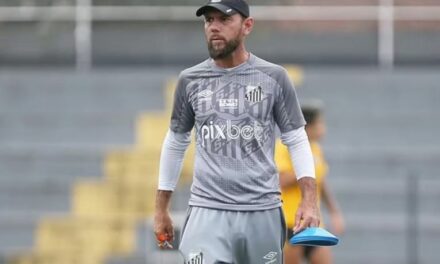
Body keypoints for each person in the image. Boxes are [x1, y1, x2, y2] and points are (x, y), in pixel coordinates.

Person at [153, 1, 320, 263]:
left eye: (224, 19)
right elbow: (175, 142)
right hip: (207, 211)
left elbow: (297, 140)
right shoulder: (190, 80)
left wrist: (309, 200)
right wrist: (161, 208)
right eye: (209, 21)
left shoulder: (274, 77)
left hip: (262, 211)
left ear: (247, 26)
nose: (214, 27)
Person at [275, 104, 345, 264]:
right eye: (320, 124)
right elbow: (282, 181)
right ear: (309, 126)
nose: (324, 128)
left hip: (313, 223)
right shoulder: (284, 146)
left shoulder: (316, 149)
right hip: (291, 222)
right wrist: (304, 166)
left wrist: (335, 212)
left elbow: (320, 182)